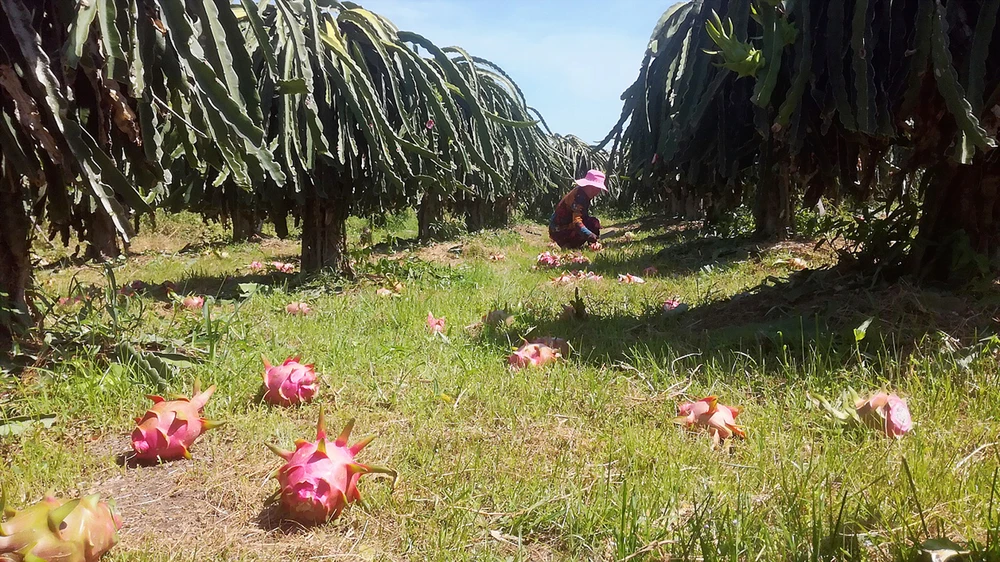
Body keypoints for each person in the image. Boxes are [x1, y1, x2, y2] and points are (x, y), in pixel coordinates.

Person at [549, 169, 608, 249]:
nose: (597, 192)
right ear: (588, 186)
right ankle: (567, 244)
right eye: (595, 188)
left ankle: (590, 244)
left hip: (562, 227)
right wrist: (589, 235)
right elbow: (577, 222)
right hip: (559, 231)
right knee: (591, 224)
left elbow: (582, 216)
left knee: (593, 222)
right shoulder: (579, 197)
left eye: (598, 189)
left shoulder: (583, 193)